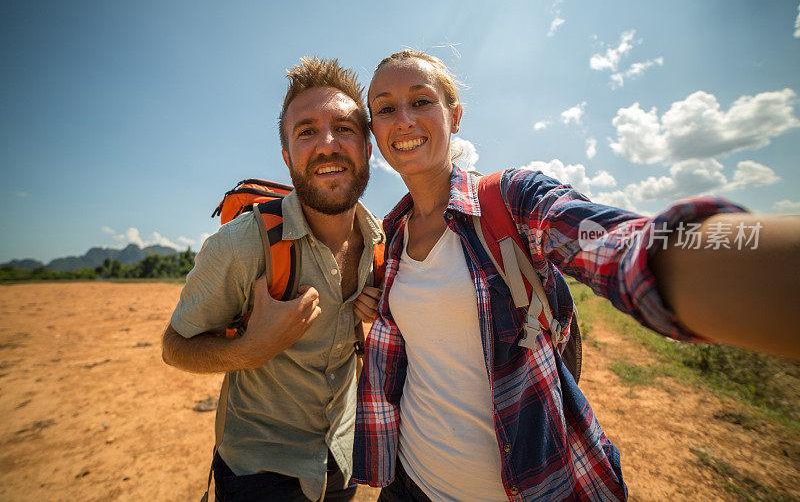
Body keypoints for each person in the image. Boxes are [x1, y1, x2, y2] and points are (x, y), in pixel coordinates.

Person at [353, 50, 800, 502]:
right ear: (375, 133)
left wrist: (739, 262)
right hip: (409, 484)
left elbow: (616, 242)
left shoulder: (511, 199)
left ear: (455, 114)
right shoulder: (392, 238)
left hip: (532, 487)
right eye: (386, 108)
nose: (404, 119)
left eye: (421, 101)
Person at [161, 57, 383, 502]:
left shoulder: (381, 244)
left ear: (367, 147)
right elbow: (174, 345)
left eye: (344, 128)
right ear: (287, 158)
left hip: (343, 462)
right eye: (306, 132)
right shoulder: (244, 245)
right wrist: (250, 349)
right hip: (258, 473)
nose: (327, 144)